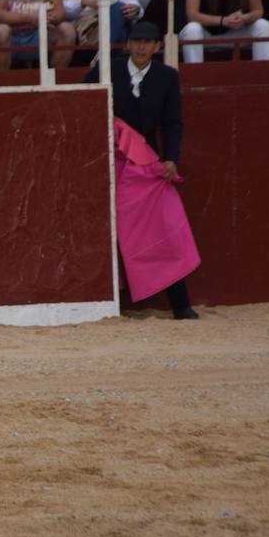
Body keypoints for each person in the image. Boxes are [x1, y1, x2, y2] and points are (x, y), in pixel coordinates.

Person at [83, 21, 198, 319]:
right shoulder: (108, 70)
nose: (141, 47)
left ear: (158, 46)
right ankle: (109, 304)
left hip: (147, 164)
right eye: (136, 41)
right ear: (128, 43)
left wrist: (171, 157)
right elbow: (83, 102)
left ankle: (181, 304)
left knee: (165, 230)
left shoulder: (166, 77)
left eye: (148, 42)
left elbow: (173, 122)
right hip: (110, 161)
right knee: (108, 232)